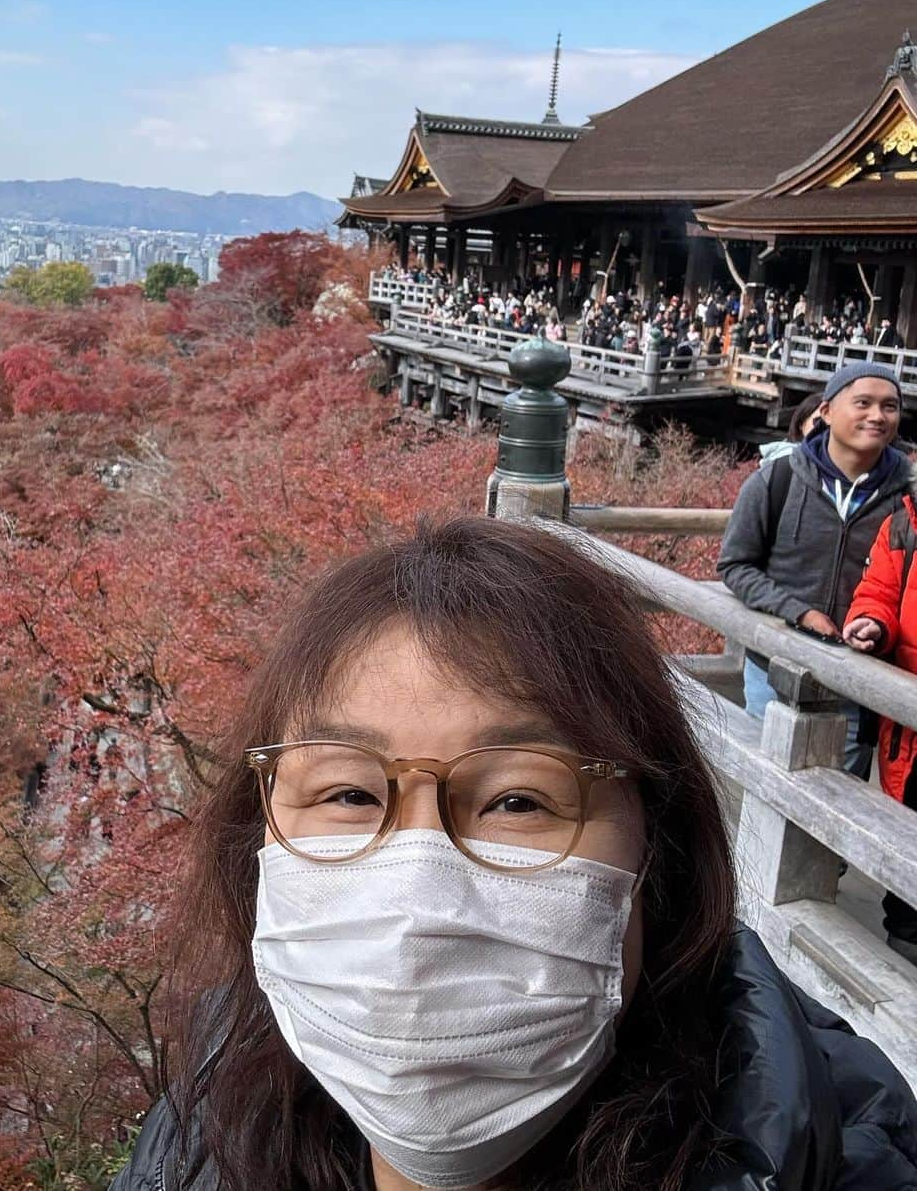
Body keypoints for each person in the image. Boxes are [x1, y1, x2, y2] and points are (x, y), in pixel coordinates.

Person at [112, 518, 917, 1191]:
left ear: (656, 856)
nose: (419, 893)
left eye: (518, 800)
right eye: (349, 794)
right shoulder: (196, 1139)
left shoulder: (841, 1159)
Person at [718, 363, 909, 777]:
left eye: (889, 406)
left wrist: (875, 625)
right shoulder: (780, 478)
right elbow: (735, 564)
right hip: (774, 666)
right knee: (763, 783)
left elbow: (902, 587)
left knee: (841, 790)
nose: (877, 415)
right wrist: (798, 613)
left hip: (859, 678)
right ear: (825, 410)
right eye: (863, 403)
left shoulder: (906, 498)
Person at [844, 487, 917, 965]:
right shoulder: (903, 526)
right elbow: (877, 594)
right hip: (909, 733)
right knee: (906, 846)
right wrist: (871, 623)